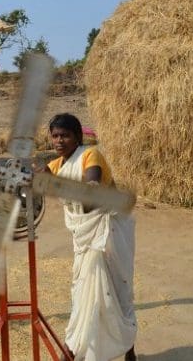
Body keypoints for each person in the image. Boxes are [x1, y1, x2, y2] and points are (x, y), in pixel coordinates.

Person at [43, 113, 137, 361]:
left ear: (77, 137)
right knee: (84, 291)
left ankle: (125, 348)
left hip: (108, 232)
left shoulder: (90, 155)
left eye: (65, 135)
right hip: (84, 237)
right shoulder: (56, 166)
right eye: (55, 136)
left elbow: (91, 185)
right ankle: (79, 348)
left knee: (115, 291)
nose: (59, 140)